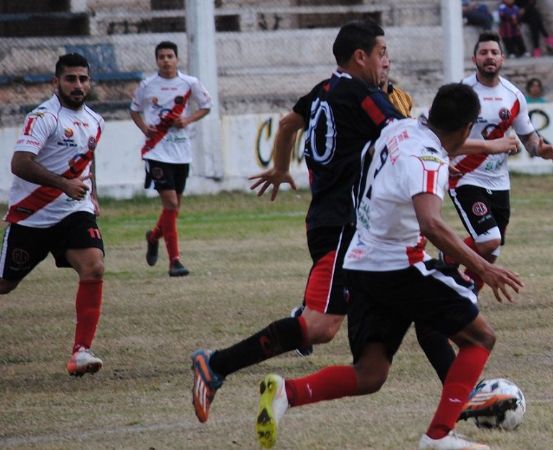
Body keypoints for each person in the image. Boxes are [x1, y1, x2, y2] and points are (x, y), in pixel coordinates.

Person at [189, 20, 458, 424]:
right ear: (360, 57)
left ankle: (464, 395)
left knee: (408, 295)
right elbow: (410, 137)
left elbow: (286, 125)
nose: (387, 61)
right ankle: (216, 364)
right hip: (346, 225)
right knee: (318, 326)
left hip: (332, 222)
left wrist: (280, 167)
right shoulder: (362, 95)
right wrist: (485, 143)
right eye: (382, 53)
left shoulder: (324, 91)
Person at [254, 83, 524, 450]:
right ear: (465, 128)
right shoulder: (428, 159)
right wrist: (484, 267)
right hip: (397, 265)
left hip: (361, 261)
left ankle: (288, 392)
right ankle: (439, 436)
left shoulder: (402, 129)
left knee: (370, 373)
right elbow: (431, 223)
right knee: (480, 338)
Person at [1, 53, 106, 376]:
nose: (78, 85)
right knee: (5, 284)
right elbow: (20, 162)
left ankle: (81, 353)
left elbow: (87, 160)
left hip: (74, 212)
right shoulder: (44, 116)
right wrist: (62, 183)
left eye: (83, 79)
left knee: (94, 267)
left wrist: (94, 195)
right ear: (55, 82)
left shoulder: (94, 121)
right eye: (71, 79)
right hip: (32, 217)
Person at [445, 31, 553, 295]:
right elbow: (445, 139)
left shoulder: (513, 95)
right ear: (475, 58)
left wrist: (542, 149)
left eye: (494, 52)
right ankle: (447, 261)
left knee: (492, 248)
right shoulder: (463, 93)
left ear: (502, 59)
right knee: (489, 239)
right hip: (465, 176)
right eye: (484, 53)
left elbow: (528, 138)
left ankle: (467, 292)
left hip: (499, 181)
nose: (489, 57)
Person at [130, 41, 212, 277]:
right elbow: (134, 109)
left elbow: (206, 105)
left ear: (177, 59)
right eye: (162, 57)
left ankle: (154, 236)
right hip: (156, 151)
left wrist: (187, 120)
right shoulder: (147, 85)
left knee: (174, 209)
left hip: (181, 153)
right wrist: (144, 127)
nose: (166, 60)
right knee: (171, 204)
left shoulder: (190, 83)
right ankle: (174, 261)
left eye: (170, 56)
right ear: (157, 60)